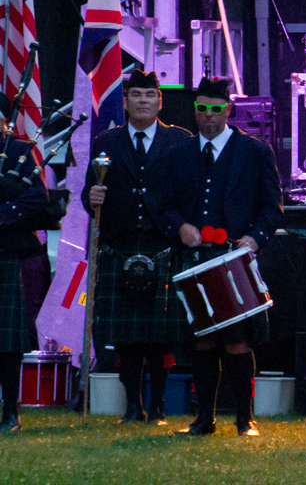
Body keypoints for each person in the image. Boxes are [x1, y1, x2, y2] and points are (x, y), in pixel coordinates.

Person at [162, 77, 284, 437]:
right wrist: (180, 226)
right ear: (195, 110)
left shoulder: (255, 151)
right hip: (194, 257)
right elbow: (163, 204)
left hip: (235, 258)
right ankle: (205, 419)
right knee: (202, 339)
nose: (208, 116)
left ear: (228, 110)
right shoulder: (180, 153)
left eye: (215, 109)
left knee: (237, 341)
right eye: (201, 109)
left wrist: (254, 239)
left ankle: (245, 420)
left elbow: (272, 207)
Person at [81, 69, 191, 424]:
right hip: (120, 245)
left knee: (160, 336)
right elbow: (88, 196)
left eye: (149, 95)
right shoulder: (106, 142)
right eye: (136, 95)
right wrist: (91, 197)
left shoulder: (180, 141)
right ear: (125, 102)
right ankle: (133, 407)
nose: (143, 101)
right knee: (127, 338)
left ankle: (157, 406)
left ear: (160, 101)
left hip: (163, 246)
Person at [0, 105, 50, 431]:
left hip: (5, 251)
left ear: (4, 121)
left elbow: (38, 198)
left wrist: (3, 213)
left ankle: (10, 411)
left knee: (6, 340)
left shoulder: (18, 150)